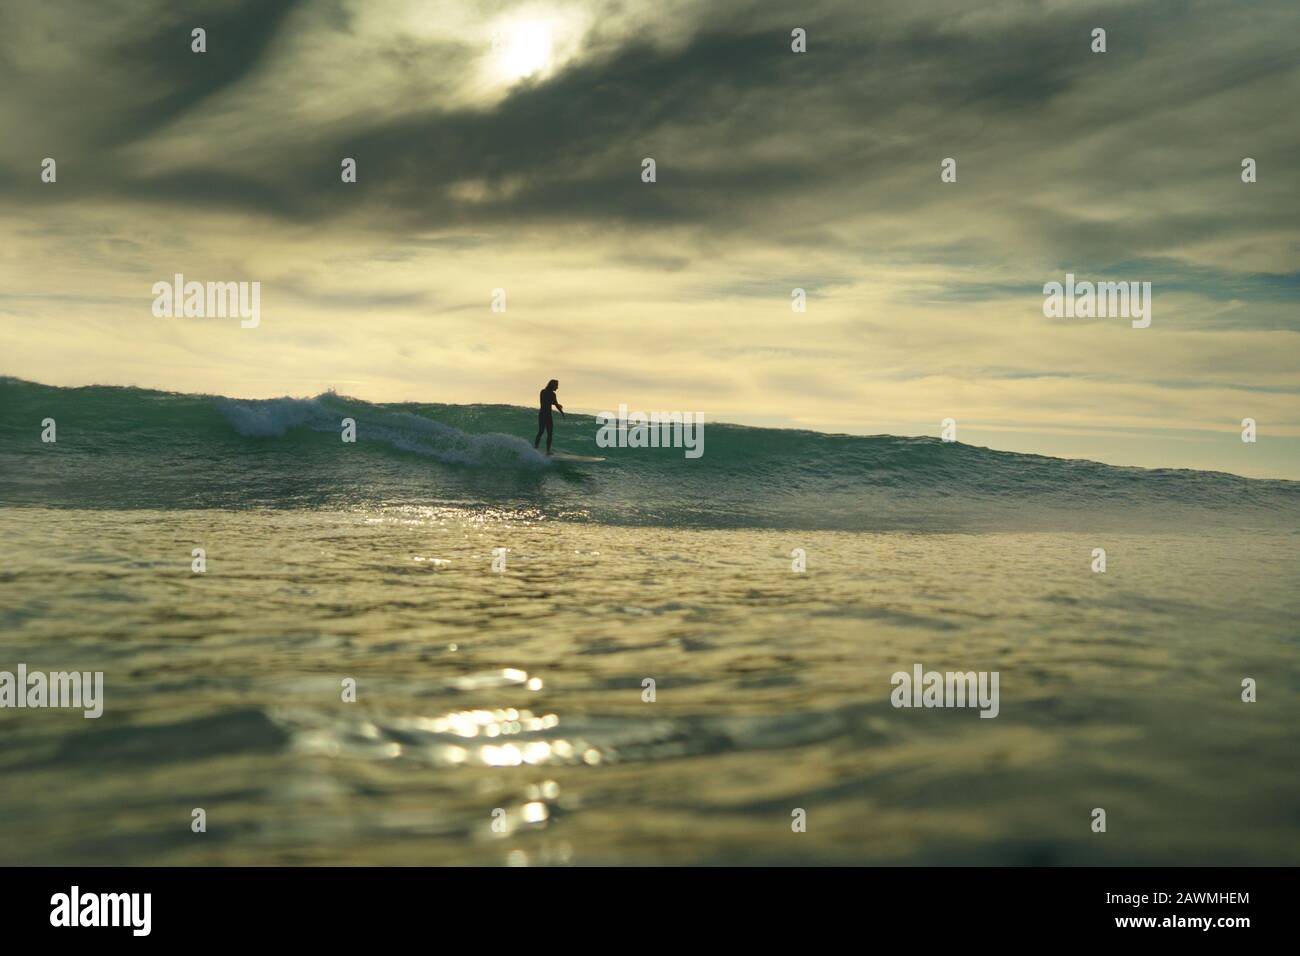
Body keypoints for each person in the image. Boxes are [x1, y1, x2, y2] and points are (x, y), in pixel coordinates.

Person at [534, 379, 564, 454]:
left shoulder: (553, 394)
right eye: (556, 386)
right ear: (552, 385)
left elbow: (556, 404)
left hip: (548, 415)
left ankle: (548, 450)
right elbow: (544, 401)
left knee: (550, 433)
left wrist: (561, 412)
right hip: (543, 414)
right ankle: (535, 448)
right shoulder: (543, 392)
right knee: (541, 431)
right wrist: (555, 403)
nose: (557, 387)